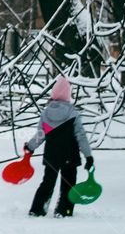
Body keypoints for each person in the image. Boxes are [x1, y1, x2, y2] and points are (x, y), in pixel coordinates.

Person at [24, 75, 94, 217]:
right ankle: (64, 210)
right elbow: (81, 136)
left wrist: (30, 147)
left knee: (48, 182)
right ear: (68, 95)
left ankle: (37, 209)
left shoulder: (46, 113)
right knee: (68, 184)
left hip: (52, 155)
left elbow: (40, 135)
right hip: (70, 154)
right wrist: (88, 156)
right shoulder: (73, 114)